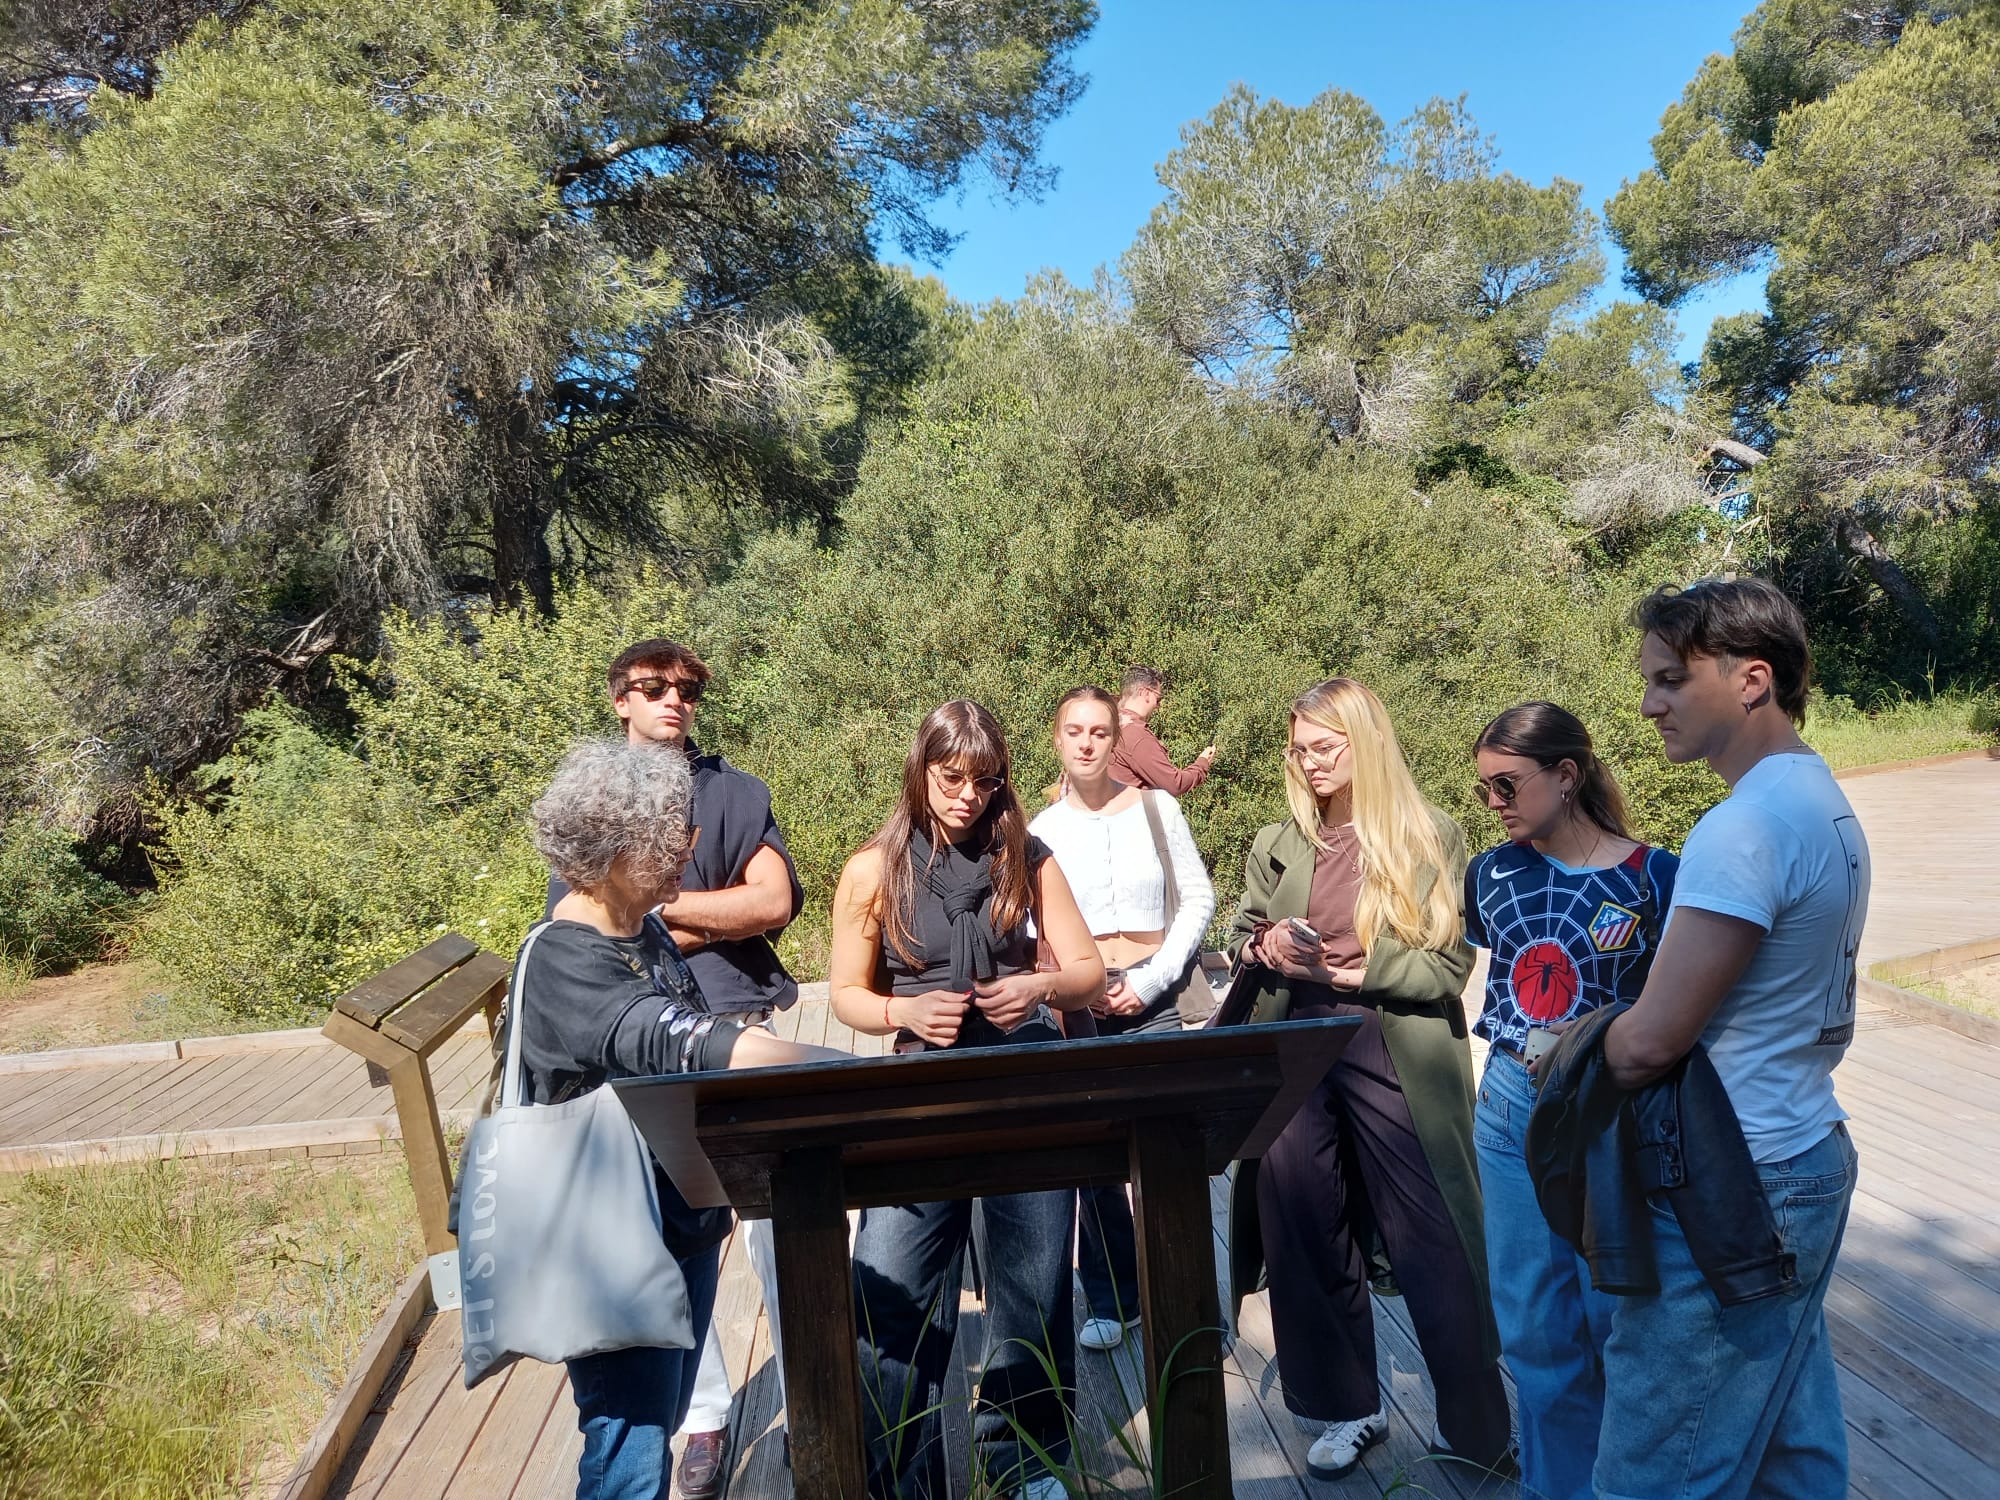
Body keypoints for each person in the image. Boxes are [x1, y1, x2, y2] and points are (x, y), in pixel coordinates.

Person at [1580, 579, 1868, 1499]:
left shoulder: (1742, 827)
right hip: (1802, 1147)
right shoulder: (1821, 801)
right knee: (1792, 1445)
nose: (1647, 702)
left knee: (1652, 1472)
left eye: (1670, 678)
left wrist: (1576, 1048)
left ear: (1752, 679)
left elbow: (1650, 1043)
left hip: (1730, 1183)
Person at [521, 739, 837, 1500]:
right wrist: (844, 1069)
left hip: (673, 1220)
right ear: (611, 849)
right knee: (627, 1448)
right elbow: (681, 1039)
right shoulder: (568, 958)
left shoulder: (644, 931)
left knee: (655, 1423)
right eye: (669, 839)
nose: (689, 851)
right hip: (609, 1242)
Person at [1225, 677, 1512, 1482]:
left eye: (1325, 747)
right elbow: (1245, 931)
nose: (1309, 763)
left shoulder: (1428, 835)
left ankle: (1479, 1426)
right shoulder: (1279, 839)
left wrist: (1355, 974)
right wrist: (1266, 947)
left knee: (1436, 1236)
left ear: (1365, 743)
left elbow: (1449, 964)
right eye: (1299, 750)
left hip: (1392, 1049)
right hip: (1294, 1050)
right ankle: (1350, 1410)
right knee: (1306, 1225)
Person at [828, 700, 1105, 1499]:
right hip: (921, 1088)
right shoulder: (873, 869)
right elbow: (846, 992)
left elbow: (1088, 972)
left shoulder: (1029, 854)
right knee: (892, 1282)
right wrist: (899, 1011)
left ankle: (1024, 1460)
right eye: (952, 778)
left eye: (985, 781)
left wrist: (1040, 984)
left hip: (1024, 1078)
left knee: (1035, 1279)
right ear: (921, 770)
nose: (968, 797)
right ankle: (899, 1473)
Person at [1464, 702, 1680, 1500]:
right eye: (1485, 789)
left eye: (1508, 785)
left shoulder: (1659, 877)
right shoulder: (1489, 873)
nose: (1496, 805)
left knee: (1613, 1321)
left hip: (1609, 1109)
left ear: (1566, 774)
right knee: (1532, 1329)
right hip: (1512, 1097)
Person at [1028, 686, 1216, 1353]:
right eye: (1073, 731)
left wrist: (1150, 979)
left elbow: (1196, 899)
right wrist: (1069, 986)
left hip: (1155, 1003)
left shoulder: (1159, 809)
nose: (1085, 742)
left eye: (1099, 732)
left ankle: (1191, 1302)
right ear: (1057, 739)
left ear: (1117, 739)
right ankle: (1116, 1296)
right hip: (1076, 1011)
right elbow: (1027, 921)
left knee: (1168, 1156)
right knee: (1095, 1162)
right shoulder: (1038, 832)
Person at [1107, 666, 1216, 794]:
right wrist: (1202, 763)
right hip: (1131, 811)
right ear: (1145, 693)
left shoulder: (1105, 724)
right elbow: (1175, 784)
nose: (1158, 706)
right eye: (1158, 699)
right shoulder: (1137, 736)